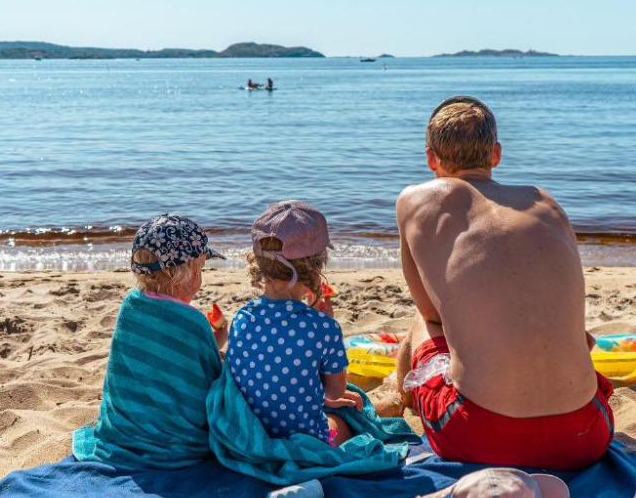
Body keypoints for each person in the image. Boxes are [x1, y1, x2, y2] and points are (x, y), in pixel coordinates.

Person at [372, 96, 614, 470]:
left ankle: (397, 392)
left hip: (481, 437)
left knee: (424, 322)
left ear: (431, 159)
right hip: (587, 433)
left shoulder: (414, 200)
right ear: (496, 154)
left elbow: (432, 313)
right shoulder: (545, 202)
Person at [71, 214, 228, 469]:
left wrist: (214, 340)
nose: (201, 278)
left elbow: (159, 361)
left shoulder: (130, 306)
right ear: (182, 275)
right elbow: (206, 378)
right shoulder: (193, 321)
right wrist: (219, 344)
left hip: (123, 431)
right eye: (200, 269)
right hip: (179, 444)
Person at [225, 200, 361, 446]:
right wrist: (326, 324)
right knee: (350, 419)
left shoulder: (242, 317)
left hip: (252, 435)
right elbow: (335, 392)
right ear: (316, 264)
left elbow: (257, 378)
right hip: (305, 440)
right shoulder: (323, 327)